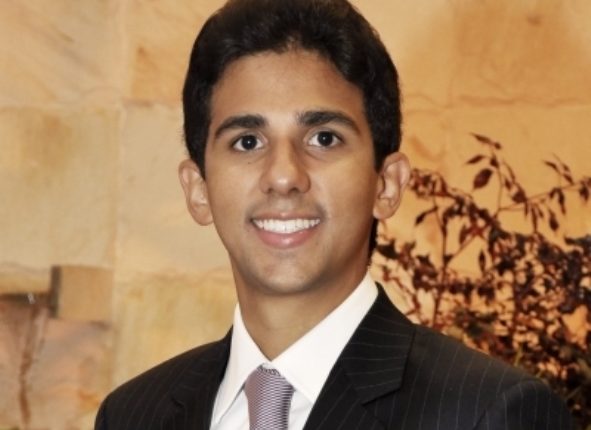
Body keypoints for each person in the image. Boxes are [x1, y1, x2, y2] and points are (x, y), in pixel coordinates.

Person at [95, 0, 573, 429]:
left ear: (387, 184)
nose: (284, 176)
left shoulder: (489, 412)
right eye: (247, 141)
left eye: (323, 138)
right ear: (198, 190)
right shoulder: (133, 415)